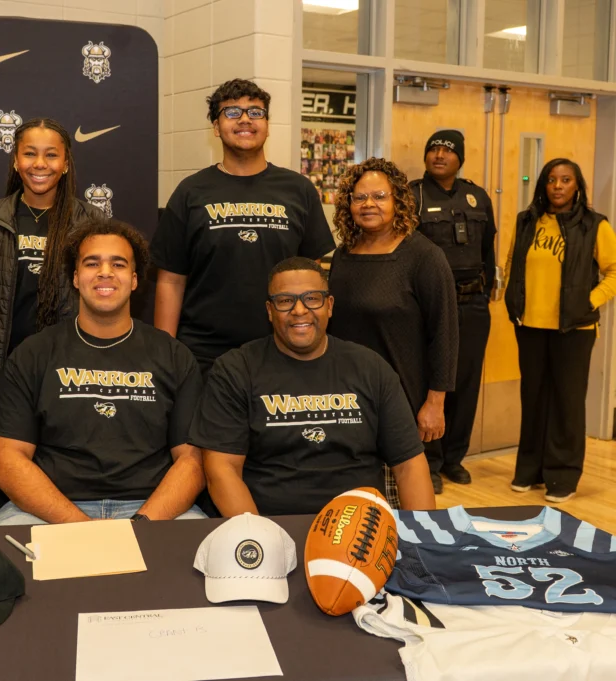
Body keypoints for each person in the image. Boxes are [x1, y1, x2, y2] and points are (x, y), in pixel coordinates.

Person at [0, 217, 207, 524]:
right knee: (6, 545)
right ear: (76, 277)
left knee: (204, 546)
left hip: (151, 509)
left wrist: (142, 525)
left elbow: (193, 461)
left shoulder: (174, 356)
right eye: (92, 263)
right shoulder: (33, 354)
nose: (105, 272)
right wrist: (83, 528)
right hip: (52, 508)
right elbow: (7, 459)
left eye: (118, 264)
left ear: (134, 279)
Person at [191, 257, 435, 516]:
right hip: (269, 523)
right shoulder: (235, 370)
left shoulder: (371, 368)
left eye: (312, 298)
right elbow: (222, 470)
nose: (299, 310)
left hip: (360, 528)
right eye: (285, 300)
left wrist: (422, 535)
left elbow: (409, 465)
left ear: (329, 305)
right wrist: (258, 533)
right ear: (270, 310)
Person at [152, 78, 335, 374]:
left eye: (256, 112)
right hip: (203, 355)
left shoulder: (298, 189)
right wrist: (164, 354)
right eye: (232, 112)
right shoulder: (190, 192)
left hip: (281, 351)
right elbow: (171, 281)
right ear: (216, 127)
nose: (246, 119)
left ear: (267, 124)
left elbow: (311, 277)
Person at [327, 157, 458, 503]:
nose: (368, 204)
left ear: (398, 200)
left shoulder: (424, 257)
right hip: (346, 399)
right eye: (359, 197)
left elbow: (444, 332)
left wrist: (435, 403)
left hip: (402, 399)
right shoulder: (343, 256)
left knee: (400, 504)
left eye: (379, 196)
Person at [0, 118, 100, 388]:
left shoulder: (91, 222)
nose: (40, 164)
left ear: (66, 163)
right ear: (15, 160)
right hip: (2, 371)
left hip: (69, 371)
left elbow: (102, 302)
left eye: (51, 155)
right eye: (30, 153)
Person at [505, 158, 616, 503]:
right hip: (530, 326)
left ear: (577, 185)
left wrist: (589, 300)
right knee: (533, 399)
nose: (558, 186)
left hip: (575, 328)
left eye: (566, 180)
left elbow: (614, 271)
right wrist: (514, 297)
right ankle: (530, 470)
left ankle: (563, 475)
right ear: (543, 184)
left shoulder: (595, 225)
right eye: (552, 179)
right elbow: (512, 261)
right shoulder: (526, 221)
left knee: (567, 403)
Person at [410, 130, 496, 488]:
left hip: (472, 302)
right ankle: (428, 461)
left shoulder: (478, 196)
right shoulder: (412, 195)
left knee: (466, 382)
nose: (439, 155)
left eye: (447, 151)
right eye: (433, 149)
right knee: (431, 382)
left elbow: (488, 248)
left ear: (460, 158)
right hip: (429, 305)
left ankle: (454, 459)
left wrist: (486, 291)